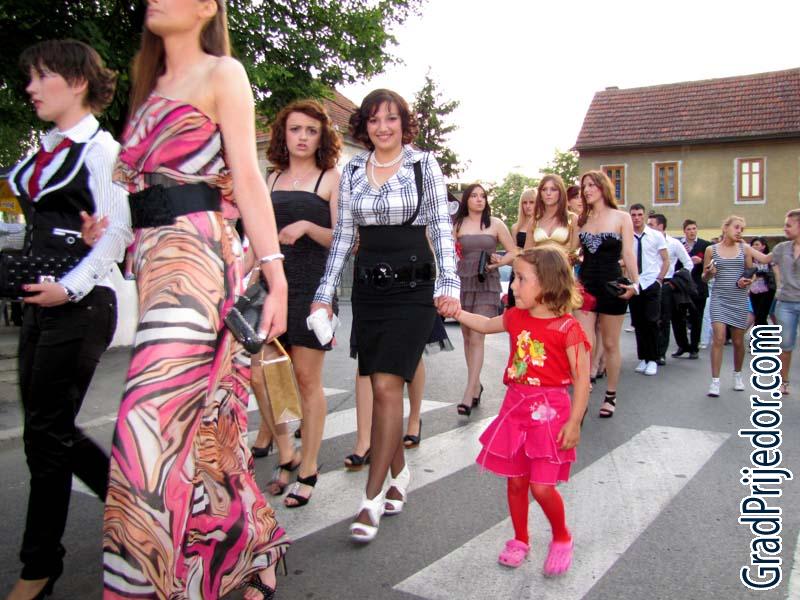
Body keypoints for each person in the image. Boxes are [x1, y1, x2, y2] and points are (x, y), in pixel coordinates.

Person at [101, 1, 289, 598]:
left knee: (146, 425)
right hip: (153, 261)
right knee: (204, 425)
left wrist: (275, 274)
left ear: (208, 6)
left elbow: (248, 177)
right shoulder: (146, 86)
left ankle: (147, 582)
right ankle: (254, 547)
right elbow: (137, 190)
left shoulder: (222, 73)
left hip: (199, 258)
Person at [4, 39, 132, 600]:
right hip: (42, 301)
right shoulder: (46, 150)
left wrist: (69, 286)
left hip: (82, 304)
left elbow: (117, 234)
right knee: (47, 429)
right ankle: (129, 507)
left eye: (41, 76)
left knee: (47, 434)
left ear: (76, 81)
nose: (30, 87)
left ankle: (39, 566)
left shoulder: (103, 151)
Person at [310, 89, 460, 543]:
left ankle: (370, 498)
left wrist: (448, 284)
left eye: (391, 118)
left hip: (413, 287)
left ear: (403, 123)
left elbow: (440, 226)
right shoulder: (353, 170)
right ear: (365, 125)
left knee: (386, 386)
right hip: (369, 289)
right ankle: (399, 472)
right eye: (374, 119)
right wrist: (324, 294)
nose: (383, 127)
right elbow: (342, 237)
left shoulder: (423, 164)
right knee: (379, 383)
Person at [454, 245, 589, 573]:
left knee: (541, 487)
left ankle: (561, 536)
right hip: (515, 409)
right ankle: (520, 539)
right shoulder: (516, 317)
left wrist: (574, 422)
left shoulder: (568, 328)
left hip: (550, 414)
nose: (513, 285)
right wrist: (456, 312)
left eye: (520, 278)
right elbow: (485, 324)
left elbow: (583, 380)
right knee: (516, 481)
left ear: (548, 283)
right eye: (514, 278)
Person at [248, 99, 341, 509]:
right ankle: (286, 452)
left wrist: (306, 225)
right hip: (273, 286)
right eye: (295, 129)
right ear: (283, 134)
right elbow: (258, 234)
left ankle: (309, 468)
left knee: (305, 380)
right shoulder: (270, 179)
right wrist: (247, 273)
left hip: (314, 286)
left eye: (311, 131)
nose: (302, 137)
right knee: (264, 377)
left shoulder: (331, 177)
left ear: (322, 138)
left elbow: (345, 239)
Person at [573, 172, 639, 418]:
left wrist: (636, 284)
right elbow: (570, 252)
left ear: (603, 187)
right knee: (584, 344)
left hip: (612, 286)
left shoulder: (622, 217)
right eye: (584, 186)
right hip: (585, 287)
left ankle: (610, 395)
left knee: (610, 343)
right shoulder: (581, 220)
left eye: (592, 185)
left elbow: (629, 253)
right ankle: (582, 394)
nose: (587, 190)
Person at [454, 183, 517, 415]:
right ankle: (477, 384)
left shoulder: (496, 223)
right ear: (466, 200)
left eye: (483, 196)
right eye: (474, 196)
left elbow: (514, 251)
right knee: (467, 337)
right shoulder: (457, 224)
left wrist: (498, 263)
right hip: (463, 281)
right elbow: (448, 251)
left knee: (477, 335)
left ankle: (469, 391)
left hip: (486, 280)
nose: (479, 199)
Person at [702, 216, 771, 397]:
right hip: (719, 298)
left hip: (739, 299)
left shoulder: (745, 248)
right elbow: (704, 277)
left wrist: (747, 280)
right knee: (718, 338)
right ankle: (715, 381)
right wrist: (709, 273)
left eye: (742, 229)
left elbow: (751, 272)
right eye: (737, 227)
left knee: (738, 341)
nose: (739, 231)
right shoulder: (711, 250)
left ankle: (737, 375)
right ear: (725, 228)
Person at [628, 204, 668, 376]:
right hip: (634, 282)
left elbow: (666, 260)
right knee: (638, 322)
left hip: (651, 282)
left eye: (639, 214)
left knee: (652, 321)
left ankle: (653, 358)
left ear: (643, 216)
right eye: (633, 215)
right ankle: (643, 357)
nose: (636, 218)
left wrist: (659, 280)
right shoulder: (627, 235)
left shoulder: (655, 235)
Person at [647, 213, 692, 365]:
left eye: (651, 224)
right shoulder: (647, 241)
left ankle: (660, 354)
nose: (648, 227)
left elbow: (688, 263)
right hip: (649, 282)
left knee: (664, 319)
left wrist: (676, 280)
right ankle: (650, 352)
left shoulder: (674, 243)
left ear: (661, 226)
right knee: (650, 319)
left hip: (667, 283)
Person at [672, 219, 710, 358]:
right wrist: (682, 257)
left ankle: (694, 348)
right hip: (681, 287)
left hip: (698, 287)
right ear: (684, 231)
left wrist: (701, 261)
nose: (692, 231)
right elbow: (673, 265)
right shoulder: (678, 245)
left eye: (694, 228)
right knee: (678, 318)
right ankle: (682, 345)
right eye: (689, 229)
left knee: (696, 318)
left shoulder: (705, 245)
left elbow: (712, 264)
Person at [772, 209, 800, 396]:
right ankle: (783, 382)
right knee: (785, 345)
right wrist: (742, 246)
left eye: (789, 225)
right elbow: (764, 259)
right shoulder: (781, 248)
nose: (785, 228)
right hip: (786, 303)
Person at [506, 188, 536, 307]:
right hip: (517, 273)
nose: (528, 206)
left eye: (531, 202)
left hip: (536, 271)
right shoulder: (515, 228)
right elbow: (513, 254)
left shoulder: (542, 226)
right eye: (525, 202)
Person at [748, 237, 776, 326]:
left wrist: (759, 273)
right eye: (752, 245)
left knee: (761, 316)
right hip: (753, 291)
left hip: (767, 290)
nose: (754, 246)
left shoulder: (769, 259)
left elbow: (773, 273)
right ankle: (767, 334)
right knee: (759, 316)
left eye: (757, 244)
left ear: (763, 246)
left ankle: (757, 334)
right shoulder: (749, 259)